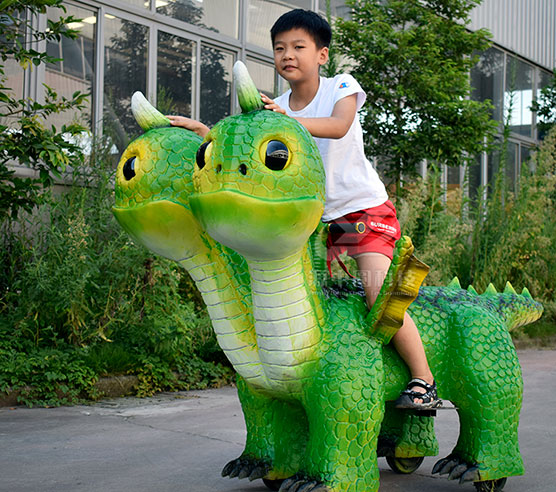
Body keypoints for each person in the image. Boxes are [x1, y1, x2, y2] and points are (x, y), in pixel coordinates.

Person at [169, 9, 439, 410]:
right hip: (315, 223)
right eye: (280, 48)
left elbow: (339, 125)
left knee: (376, 292)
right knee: (316, 303)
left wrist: (287, 119)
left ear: (322, 55)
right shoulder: (275, 107)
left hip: (363, 215)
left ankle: (423, 380)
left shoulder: (341, 87)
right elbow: (249, 150)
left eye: (298, 46)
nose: (287, 55)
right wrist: (205, 133)